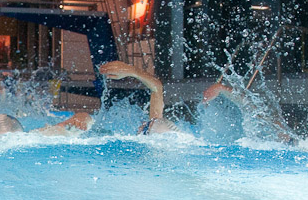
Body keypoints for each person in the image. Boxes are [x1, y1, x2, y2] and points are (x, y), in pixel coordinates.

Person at [100, 61, 296, 143]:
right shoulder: (178, 138)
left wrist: (133, 71)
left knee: (263, 120)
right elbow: (157, 87)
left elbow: (157, 88)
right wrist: (133, 72)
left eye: (144, 126)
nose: (141, 124)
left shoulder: (157, 130)